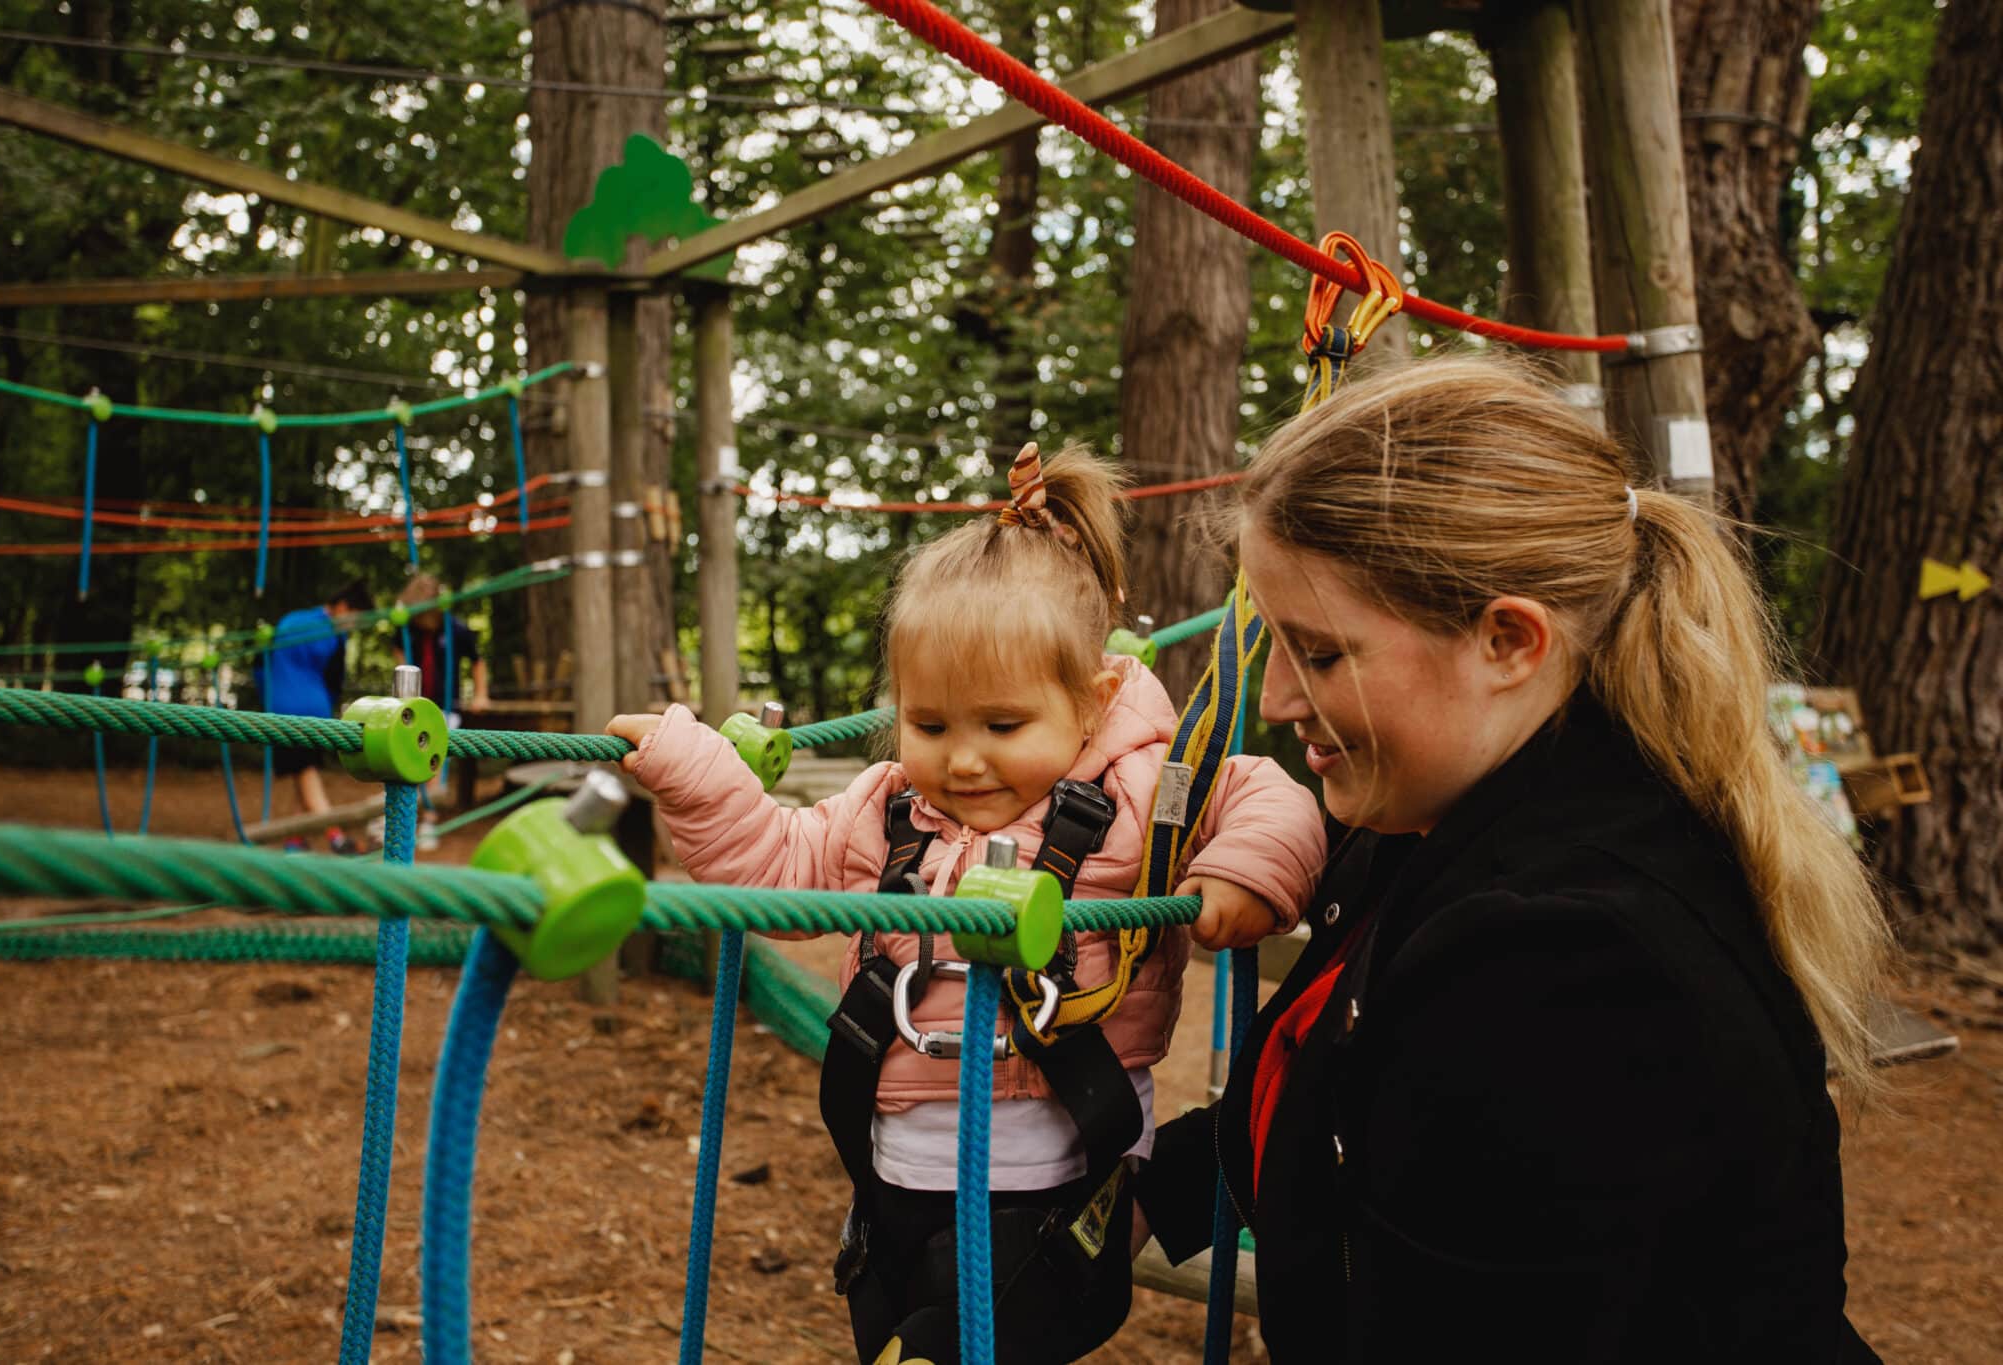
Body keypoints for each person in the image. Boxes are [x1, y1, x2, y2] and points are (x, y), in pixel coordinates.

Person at [1130, 355, 1891, 1362]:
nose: (1272, 699)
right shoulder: (1439, 820)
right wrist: (1108, 1202)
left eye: (1316, 652)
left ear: (1505, 641)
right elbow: (1341, 1099)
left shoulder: (1568, 956)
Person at [607, 443, 1328, 1364]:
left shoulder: (1148, 790)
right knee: (890, 1330)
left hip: (1054, 1175)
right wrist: (696, 774)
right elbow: (775, 865)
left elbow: (1266, 793)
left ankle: (1153, 1191)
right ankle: (1163, 1189)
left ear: (1094, 697)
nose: (964, 758)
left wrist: (1243, 872)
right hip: (893, 1175)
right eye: (932, 723)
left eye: (1002, 724)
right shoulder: (888, 806)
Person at [253, 578, 373, 854]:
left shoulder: (290, 621)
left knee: (303, 774)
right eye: (355, 619)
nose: (354, 627)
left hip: (281, 709)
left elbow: (261, 667)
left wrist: (268, 699)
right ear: (343, 607)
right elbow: (334, 681)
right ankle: (336, 837)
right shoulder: (333, 636)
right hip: (310, 712)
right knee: (307, 773)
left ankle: (296, 840)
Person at [395, 571, 490, 714]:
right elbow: (398, 648)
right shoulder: (408, 629)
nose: (421, 619)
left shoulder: (456, 629)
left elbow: (477, 662)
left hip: (448, 709)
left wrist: (481, 695)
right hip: (414, 707)